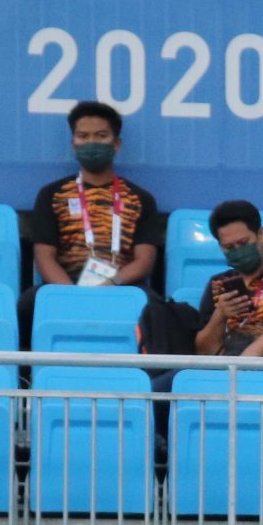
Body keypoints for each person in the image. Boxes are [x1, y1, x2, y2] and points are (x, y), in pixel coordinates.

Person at [22, 100, 164, 343]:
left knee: (155, 308)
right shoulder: (52, 195)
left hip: (120, 285)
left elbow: (143, 261)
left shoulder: (140, 199)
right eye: (83, 136)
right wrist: (72, 294)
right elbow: (44, 256)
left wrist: (110, 283)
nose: (91, 143)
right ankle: (26, 376)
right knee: (29, 303)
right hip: (65, 285)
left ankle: (148, 376)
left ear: (116, 143)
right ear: (73, 143)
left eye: (101, 136)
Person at [160, 200, 263, 360]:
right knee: (160, 384)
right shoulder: (218, 284)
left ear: (261, 235)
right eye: (229, 247)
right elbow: (204, 351)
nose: (238, 250)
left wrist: (242, 362)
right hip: (224, 371)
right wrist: (220, 315)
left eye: (243, 243)